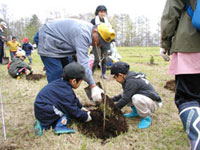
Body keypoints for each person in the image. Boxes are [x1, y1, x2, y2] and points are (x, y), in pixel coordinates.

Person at [37, 18, 115, 102]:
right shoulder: (83, 33)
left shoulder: (90, 32)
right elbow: (83, 63)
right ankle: (56, 102)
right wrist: (92, 86)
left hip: (61, 44)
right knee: (56, 75)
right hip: (48, 38)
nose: (99, 45)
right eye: (100, 41)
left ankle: (66, 97)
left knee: (70, 72)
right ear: (95, 32)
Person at [160, 0, 200, 149]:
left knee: (188, 97)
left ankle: (197, 139)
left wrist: (165, 42)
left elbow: (171, 11)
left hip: (191, 44)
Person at [34, 62, 92, 136]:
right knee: (67, 113)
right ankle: (57, 127)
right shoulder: (65, 92)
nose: (80, 83)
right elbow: (72, 110)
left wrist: (81, 107)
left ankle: (42, 123)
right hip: (46, 110)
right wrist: (85, 117)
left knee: (63, 109)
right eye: (80, 81)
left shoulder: (62, 84)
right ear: (74, 81)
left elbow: (73, 98)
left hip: (41, 107)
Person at [110, 62, 162, 129]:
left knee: (136, 98)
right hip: (146, 98)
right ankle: (136, 112)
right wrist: (111, 100)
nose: (116, 80)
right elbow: (123, 95)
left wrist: (113, 109)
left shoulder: (131, 81)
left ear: (120, 75)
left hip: (154, 102)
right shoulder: (129, 78)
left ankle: (146, 117)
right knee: (125, 92)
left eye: (115, 77)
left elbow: (125, 99)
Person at [91, 5, 111, 79]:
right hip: (96, 42)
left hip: (105, 42)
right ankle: (91, 72)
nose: (103, 13)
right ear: (98, 12)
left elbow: (109, 31)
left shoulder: (107, 22)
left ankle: (103, 74)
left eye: (104, 12)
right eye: (101, 12)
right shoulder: (93, 21)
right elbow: (90, 31)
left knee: (105, 59)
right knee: (97, 58)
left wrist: (112, 40)